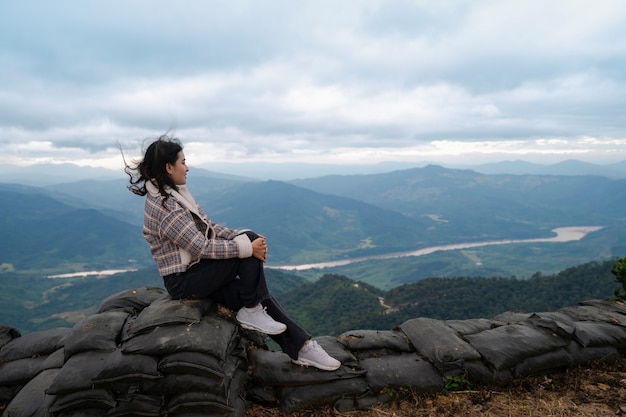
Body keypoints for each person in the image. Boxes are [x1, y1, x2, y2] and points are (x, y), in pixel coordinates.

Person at [124, 134, 341, 371]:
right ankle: (256, 313)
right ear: (168, 167)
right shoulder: (166, 207)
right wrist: (248, 246)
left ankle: (302, 347)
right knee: (248, 252)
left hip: (201, 272)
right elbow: (201, 246)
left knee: (256, 291)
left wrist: (244, 236)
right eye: (183, 162)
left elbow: (211, 227)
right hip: (183, 281)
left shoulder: (175, 195)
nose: (187, 167)